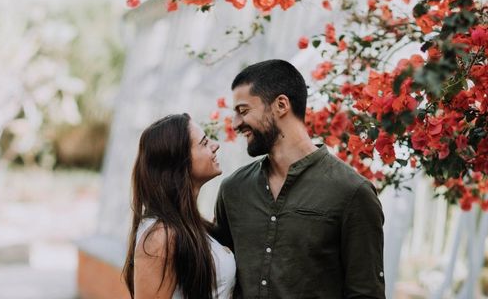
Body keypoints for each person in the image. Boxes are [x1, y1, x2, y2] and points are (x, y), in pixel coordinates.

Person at [214, 59, 385, 298]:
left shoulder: (352, 193)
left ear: (281, 105)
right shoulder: (233, 190)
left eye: (243, 111)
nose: (235, 124)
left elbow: (365, 293)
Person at [123, 113, 236, 299]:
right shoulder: (160, 237)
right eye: (205, 143)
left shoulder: (189, 225)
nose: (215, 146)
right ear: (179, 160)